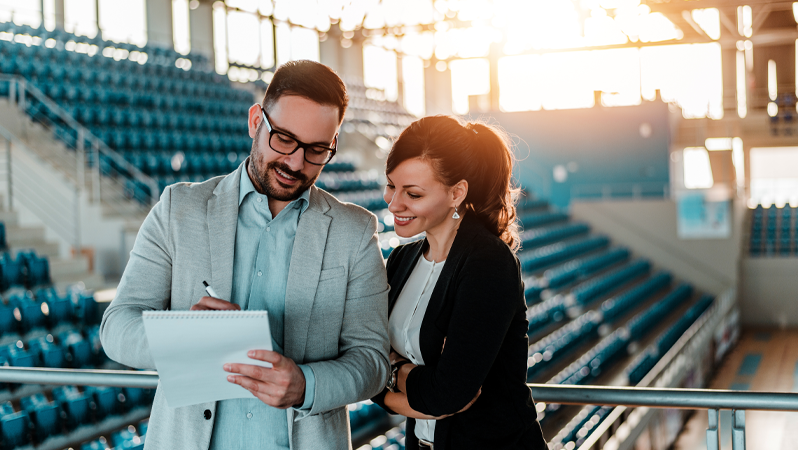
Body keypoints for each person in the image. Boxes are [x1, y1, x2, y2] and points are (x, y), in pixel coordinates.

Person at [100, 60, 390, 450]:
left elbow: (372, 361)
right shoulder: (178, 209)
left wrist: (306, 385)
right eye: (284, 139)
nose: (296, 163)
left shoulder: (354, 231)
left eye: (318, 149)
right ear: (256, 121)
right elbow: (116, 327)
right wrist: (182, 335)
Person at [371, 115, 547, 449]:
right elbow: (366, 363)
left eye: (413, 193)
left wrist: (391, 371)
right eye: (391, 186)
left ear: (456, 193)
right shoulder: (401, 260)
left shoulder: (488, 263)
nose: (394, 204)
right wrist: (406, 383)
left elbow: (447, 394)